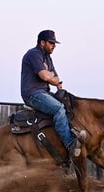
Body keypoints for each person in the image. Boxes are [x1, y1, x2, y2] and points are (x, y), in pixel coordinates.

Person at [20, 30, 85, 158]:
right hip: (33, 94)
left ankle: (69, 134)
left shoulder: (47, 58)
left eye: (54, 43)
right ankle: (70, 144)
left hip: (44, 92)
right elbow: (45, 76)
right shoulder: (34, 54)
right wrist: (49, 77)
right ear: (42, 42)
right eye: (51, 43)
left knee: (67, 104)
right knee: (58, 109)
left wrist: (51, 78)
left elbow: (57, 79)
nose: (54, 46)